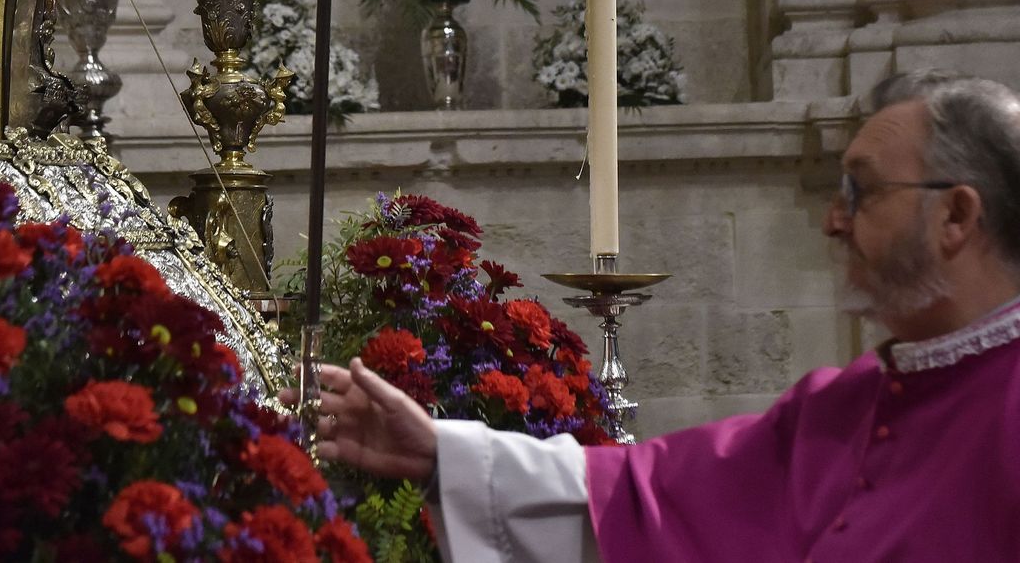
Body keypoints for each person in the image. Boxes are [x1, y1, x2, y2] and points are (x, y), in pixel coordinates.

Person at [294, 71, 1020, 562]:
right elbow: (653, 491)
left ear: (955, 214)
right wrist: (441, 455)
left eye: (861, 193)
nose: (833, 221)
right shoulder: (842, 405)